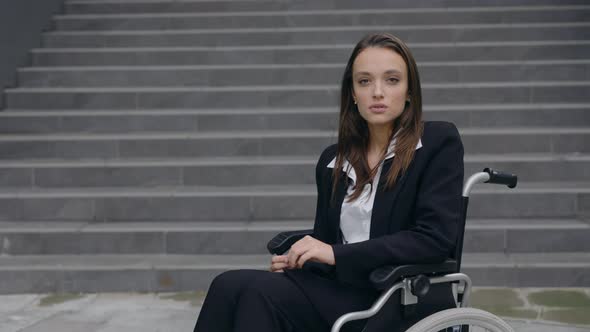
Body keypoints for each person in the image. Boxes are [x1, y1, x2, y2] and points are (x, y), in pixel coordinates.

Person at [193, 32, 464, 332]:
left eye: (391, 80)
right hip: (339, 290)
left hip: (395, 298)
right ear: (352, 93)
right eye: (364, 81)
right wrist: (301, 257)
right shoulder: (334, 160)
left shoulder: (437, 143)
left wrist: (335, 254)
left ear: (409, 90)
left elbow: (433, 239)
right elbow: (328, 242)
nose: (377, 92)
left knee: (260, 294)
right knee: (228, 285)